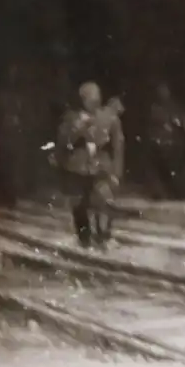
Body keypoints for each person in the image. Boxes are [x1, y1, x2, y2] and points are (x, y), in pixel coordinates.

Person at [55, 82, 124, 250]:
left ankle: (104, 236)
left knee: (105, 200)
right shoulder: (72, 118)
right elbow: (63, 142)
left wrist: (117, 171)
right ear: (83, 100)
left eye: (96, 98)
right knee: (79, 203)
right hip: (78, 166)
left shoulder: (108, 117)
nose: (94, 102)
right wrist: (77, 129)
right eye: (90, 99)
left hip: (101, 165)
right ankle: (84, 238)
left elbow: (118, 144)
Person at [148, 83, 185, 200]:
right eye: (161, 92)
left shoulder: (173, 107)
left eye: (165, 91)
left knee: (173, 170)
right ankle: (160, 194)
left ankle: (174, 193)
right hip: (159, 143)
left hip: (172, 144)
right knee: (159, 170)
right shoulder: (155, 108)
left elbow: (180, 122)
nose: (163, 94)